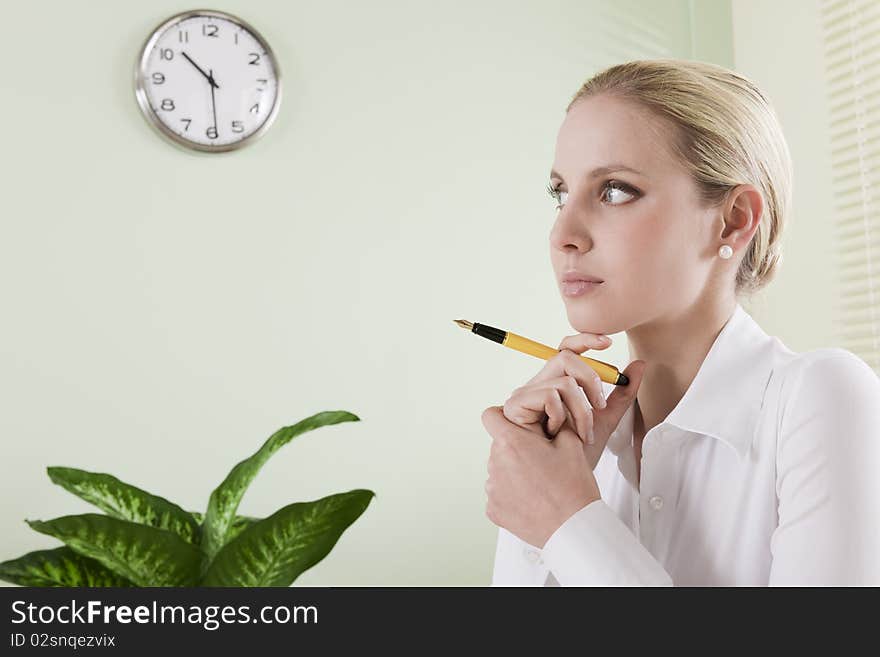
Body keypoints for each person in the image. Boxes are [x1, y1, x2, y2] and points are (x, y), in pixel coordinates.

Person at [482, 59, 880, 586]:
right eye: (560, 192)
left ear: (734, 220)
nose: (564, 233)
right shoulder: (577, 450)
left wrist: (569, 522)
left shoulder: (821, 397)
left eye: (615, 190)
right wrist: (533, 510)